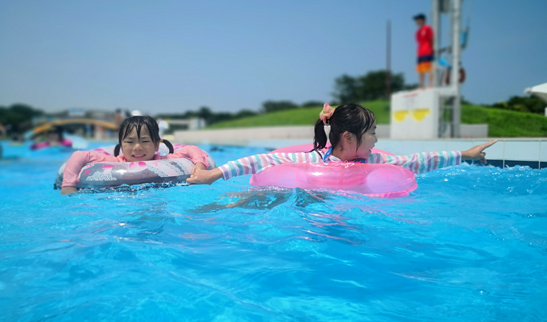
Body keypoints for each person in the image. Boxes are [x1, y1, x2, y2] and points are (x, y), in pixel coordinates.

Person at [187, 103, 497, 186]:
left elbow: (420, 161)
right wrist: (213, 175)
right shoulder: (315, 162)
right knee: (253, 200)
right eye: (372, 133)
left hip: (347, 208)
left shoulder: (376, 163)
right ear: (349, 138)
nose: (377, 139)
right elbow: (260, 162)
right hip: (309, 201)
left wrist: (464, 155)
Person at [61, 115, 210, 195]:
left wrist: (199, 164)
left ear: (157, 144)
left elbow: (191, 149)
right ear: (121, 145)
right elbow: (79, 155)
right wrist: (69, 185)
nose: (137, 147)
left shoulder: (166, 161)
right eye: (130, 142)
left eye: (145, 141)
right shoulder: (113, 162)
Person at [414, 13, 434, 89]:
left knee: (429, 68)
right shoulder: (417, 32)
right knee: (420, 69)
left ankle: (430, 84)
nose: (416, 21)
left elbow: (431, 39)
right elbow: (418, 42)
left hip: (427, 51)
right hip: (420, 52)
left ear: (422, 20)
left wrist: (432, 49)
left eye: (418, 19)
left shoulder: (427, 28)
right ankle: (421, 85)